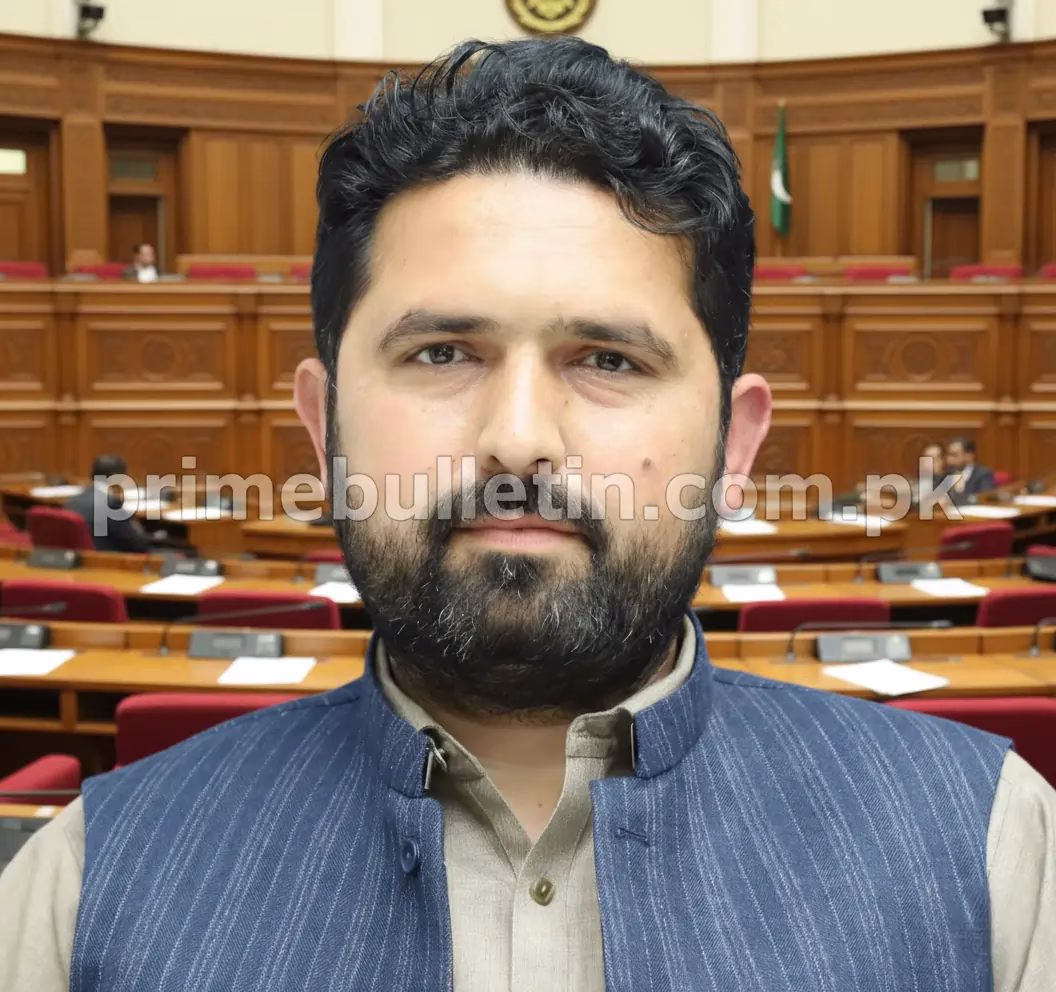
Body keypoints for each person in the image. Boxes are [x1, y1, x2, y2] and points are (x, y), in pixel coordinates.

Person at [2, 38, 1054, 992]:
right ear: (324, 428)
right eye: (442, 352)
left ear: (735, 448)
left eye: (607, 358)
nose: (518, 437)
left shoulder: (1003, 859)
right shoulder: (74, 892)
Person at [62, 454, 152, 553]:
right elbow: (137, 544)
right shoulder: (110, 503)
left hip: (80, 560)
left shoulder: (73, 500)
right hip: (107, 560)